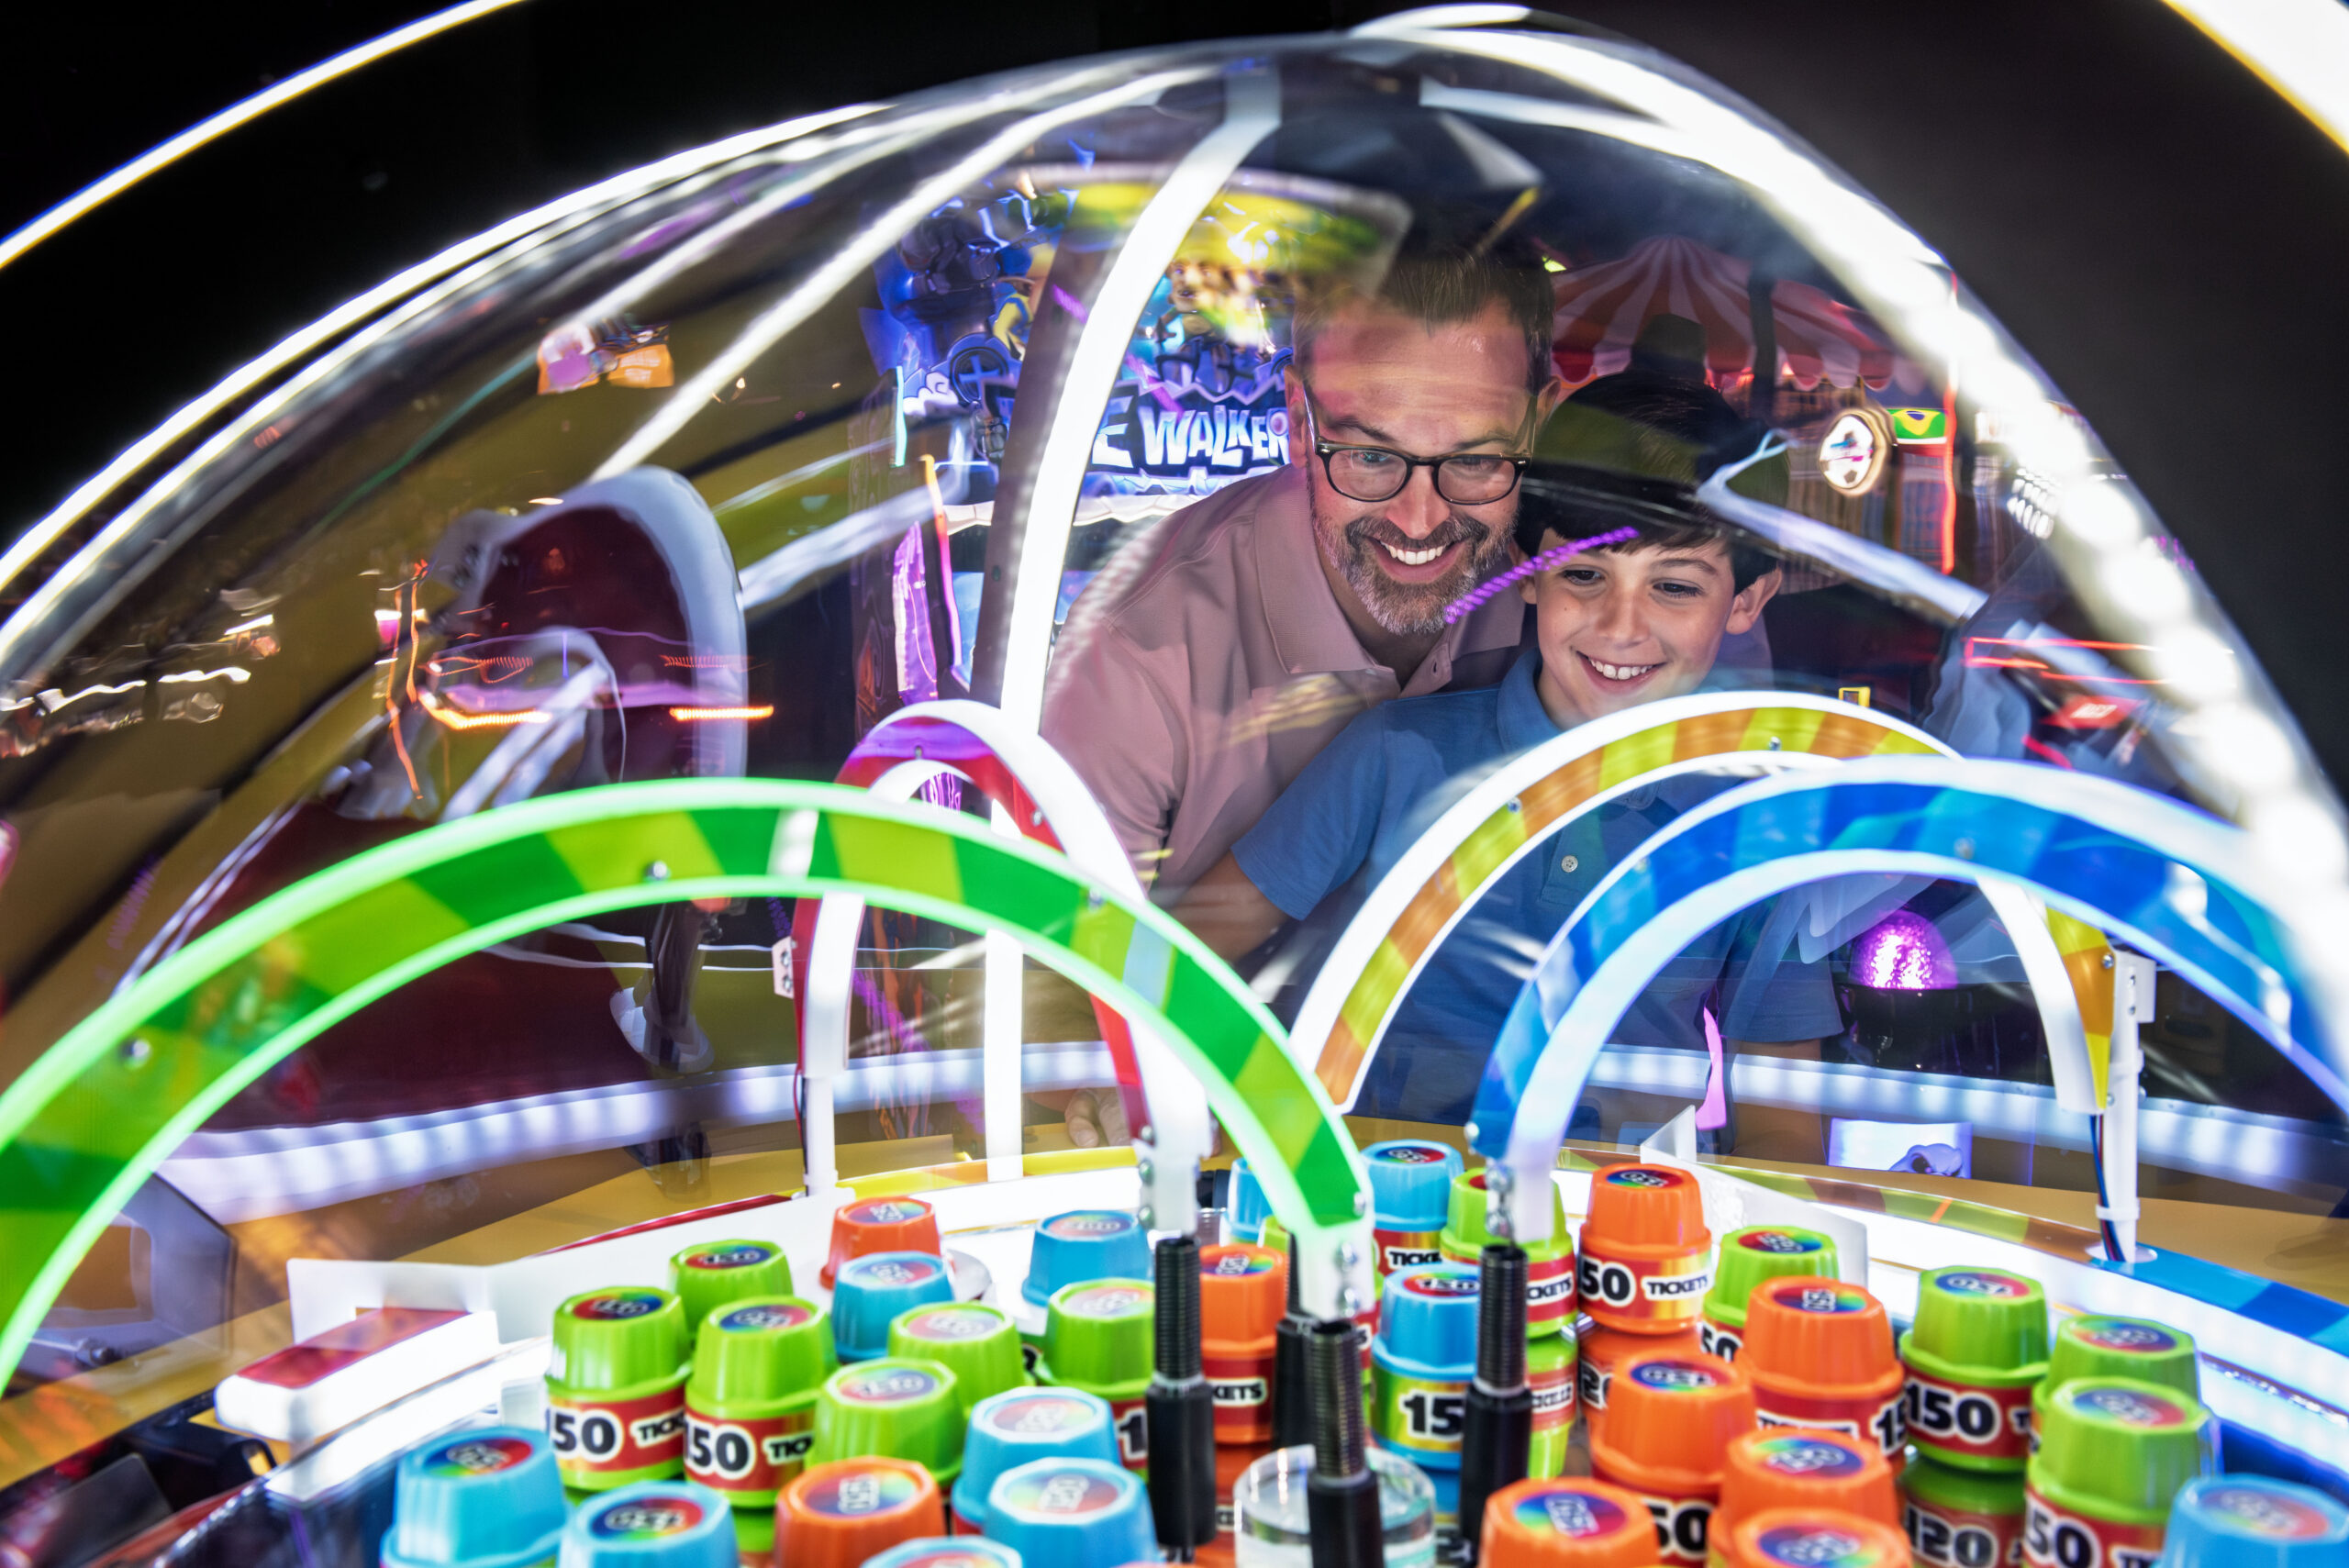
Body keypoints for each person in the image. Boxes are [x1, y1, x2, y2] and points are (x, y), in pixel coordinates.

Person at [1172, 370, 1845, 1132]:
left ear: (1748, 600)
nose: (1620, 626)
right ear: (1529, 573)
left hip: (1633, 1220)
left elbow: (1783, 1109)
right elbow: (1182, 956)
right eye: (1585, 574)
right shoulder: (1394, 758)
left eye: (1675, 587)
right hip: (1394, 1215)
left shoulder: (1763, 821)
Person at [1041, 239, 1563, 905]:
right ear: (1296, 421)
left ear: (1535, 425)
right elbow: (1058, 987)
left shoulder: (1573, 598)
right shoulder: (1131, 653)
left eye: (1475, 459)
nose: (1420, 519)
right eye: (1370, 457)